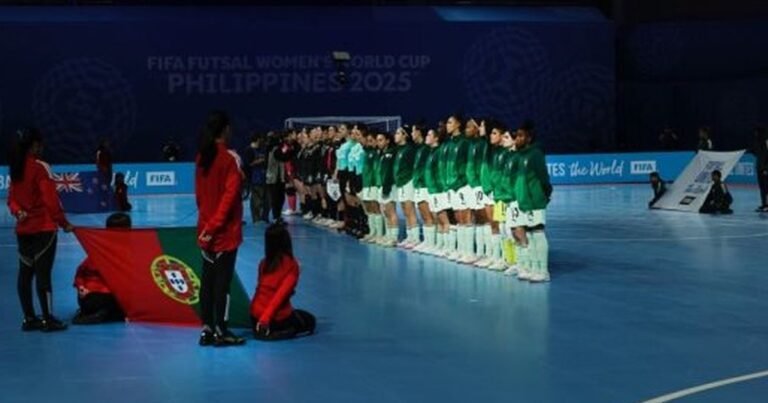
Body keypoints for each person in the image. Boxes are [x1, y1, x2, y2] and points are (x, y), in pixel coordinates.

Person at [7, 127, 73, 332]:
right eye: (40, 144)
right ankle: (47, 319)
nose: (42, 148)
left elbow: (11, 200)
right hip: (44, 229)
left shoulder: (15, 167)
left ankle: (29, 318)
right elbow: (51, 201)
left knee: (25, 275)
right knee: (43, 274)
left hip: (24, 230)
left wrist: (18, 213)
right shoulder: (41, 167)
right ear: (34, 145)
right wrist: (63, 223)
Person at [195, 110, 246, 347]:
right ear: (225, 129)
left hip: (205, 231)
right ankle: (221, 330)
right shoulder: (230, 159)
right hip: (224, 233)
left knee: (207, 281)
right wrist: (215, 226)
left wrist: (206, 226)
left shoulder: (201, 157)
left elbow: (199, 196)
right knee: (221, 285)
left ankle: (206, 328)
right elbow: (230, 196)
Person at [251, 223, 316, 341]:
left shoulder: (263, 263)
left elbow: (261, 290)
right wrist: (265, 319)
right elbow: (280, 296)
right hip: (272, 318)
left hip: (255, 314)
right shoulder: (291, 265)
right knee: (310, 320)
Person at [513, 121, 552, 282]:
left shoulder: (535, 154)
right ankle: (535, 268)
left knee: (537, 233)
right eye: (517, 136)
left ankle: (543, 271)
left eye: (521, 136)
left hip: (535, 200)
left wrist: (544, 195)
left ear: (529, 138)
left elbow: (544, 178)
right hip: (525, 201)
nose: (517, 139)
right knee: (529, 234)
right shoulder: (521, 155)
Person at [72, 213, 129, 324]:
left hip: (87, 299)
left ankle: (100, 313)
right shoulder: (121, 252)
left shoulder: (98, 251)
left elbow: (80, 273)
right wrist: (82, 287)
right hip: (98, 298)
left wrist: (81, 286)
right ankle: (109, 314)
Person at [243, 133, 268, 223]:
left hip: (262, 177)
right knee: (256, 199)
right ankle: (256, 218)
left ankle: (262, 217)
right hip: (254, 178)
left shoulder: (261, 150)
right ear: (257, 139)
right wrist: (259, 161)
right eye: (261, 139)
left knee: (263, 198)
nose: (262, 141)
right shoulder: (248, 150)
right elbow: (248, 164)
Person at [750, 126, 768, 212]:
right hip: (759, 169)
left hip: (765, 170)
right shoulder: (757, 142)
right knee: (762, 188)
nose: (755, 134)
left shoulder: (766, 142)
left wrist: (766, 169)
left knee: (766, 187)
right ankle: (764, 204)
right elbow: (756, 153)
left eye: (757, 132)